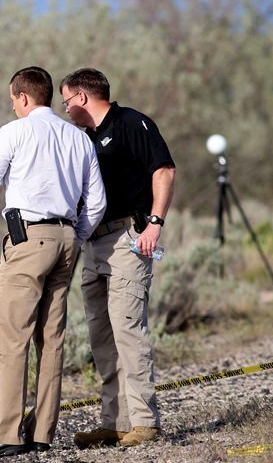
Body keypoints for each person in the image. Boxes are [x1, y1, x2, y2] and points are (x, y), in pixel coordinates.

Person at [0, 66, 106, 459]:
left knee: (12, 338)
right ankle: (41, 432)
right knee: (52, 339)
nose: (12, 107)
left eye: (12, 100)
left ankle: (7, 433)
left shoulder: (15, 131)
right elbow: (96, 202)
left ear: (23, 97)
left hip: (28, 239)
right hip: (66, 239)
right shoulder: (79, 138)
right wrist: (75, 236)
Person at [58, 68, 176, 448]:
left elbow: (165, 170)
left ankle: (144, 422)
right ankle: (114, 421)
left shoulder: (131, 123)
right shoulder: (86, 139)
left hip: (129, 238)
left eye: (66, 101)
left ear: (82, 97)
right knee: (101, 337)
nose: (64, 109)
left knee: (128, 331)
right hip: (94, 244)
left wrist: (154, 224)